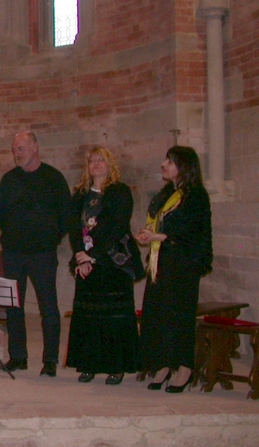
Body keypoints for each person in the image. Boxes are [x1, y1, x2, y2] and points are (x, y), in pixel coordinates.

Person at [0, 131, 72, 377]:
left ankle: (50, 360)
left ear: (35, 147)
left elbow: (66, 215)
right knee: (13, 306)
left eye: (21, 149)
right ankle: (18, 356)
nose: (17, 154)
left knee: (48, 306)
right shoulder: (9, 179)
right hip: (13, 252)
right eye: (14, 150)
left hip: (42, 253)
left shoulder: (53, 178)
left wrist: (49, 238)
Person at [136, 145, 212, 393]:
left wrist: (158, 237)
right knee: (158, 315)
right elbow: (159, 224)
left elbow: (193, 234)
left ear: (184, 167)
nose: (163, 164)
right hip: (161, 263)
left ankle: (184, 368)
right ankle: (162, 364)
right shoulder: (165, 195)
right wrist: (148, 234)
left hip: (183, 265)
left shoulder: (196, 196)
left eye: (170, 161)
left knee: (179, 316)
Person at [65, 147, 142, 385]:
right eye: (92, 161)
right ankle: (88, 364)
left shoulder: (119, 191)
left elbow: (115, 227)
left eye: (101, 160)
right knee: (89, 316)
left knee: (113, 318)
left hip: (112, 261)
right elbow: (74, 227)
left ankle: (116, 366)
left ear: (110, 164)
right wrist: (80, 255)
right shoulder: (80, 194)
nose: (96, 164)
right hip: (86, 260)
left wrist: (93, 256)